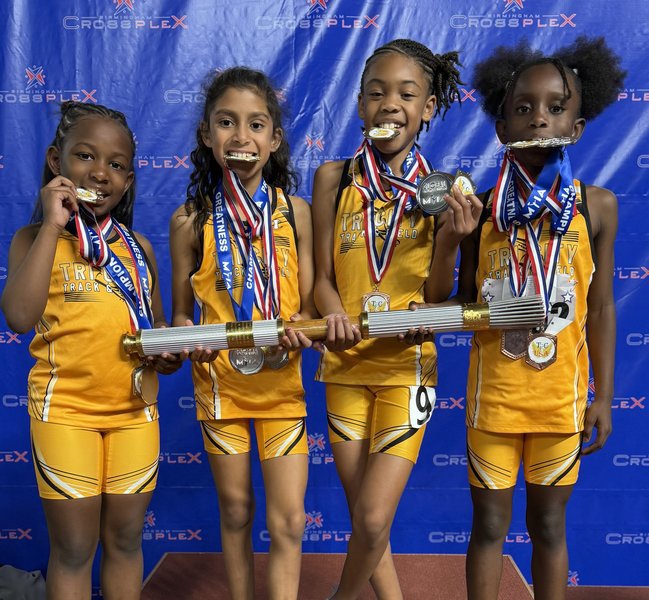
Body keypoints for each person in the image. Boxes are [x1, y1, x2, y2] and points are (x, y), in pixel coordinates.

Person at [311, 39, 481, 599]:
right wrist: (333, 315)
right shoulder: (332, 179)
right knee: (364, 515)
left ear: (427, 108)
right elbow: (321, 279)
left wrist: (451, 241)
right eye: (376, 92)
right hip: (344, 365)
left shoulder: (446, 191)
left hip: (408, 368)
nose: (390, 104)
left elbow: (439, 296)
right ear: (360, 105)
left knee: (374, 517)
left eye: (407, 94)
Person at [456, 37, 624, 600]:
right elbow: (463, 305)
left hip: (560, 403)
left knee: (549, 525)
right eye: (523, 108)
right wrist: (454, 244)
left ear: (576, 127)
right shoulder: (480, 211)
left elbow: (601, 307)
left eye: (556, 107)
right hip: (493, 402)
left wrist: (603, 397)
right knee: (489, 527)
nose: (539, 118)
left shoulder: (597, 207)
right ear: (501, 127)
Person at [0, 101, 181, 599]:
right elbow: (17, 317)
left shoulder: (139, 249)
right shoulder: (34, 239)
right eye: (85, 156)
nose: (101, 172)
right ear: (56, 162)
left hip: (134, 414)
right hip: (66, 415)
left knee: (124, 541)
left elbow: (156, 331)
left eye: (116, 165)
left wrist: (167, 353)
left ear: (128, 181)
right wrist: (52, 225)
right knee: (75, 549)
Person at [169, 67, 317, 600]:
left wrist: (303, 324)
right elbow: (180, 314)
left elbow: (310, 302)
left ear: (274, 140)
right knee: (235, 510)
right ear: (206, 134)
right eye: (226, 122)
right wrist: (184, 332)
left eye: (256, 124)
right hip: (221, 389)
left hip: (282, 387)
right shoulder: (189, 220)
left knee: (290, 520)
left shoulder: (296, 213)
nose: (241, 136)